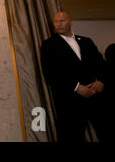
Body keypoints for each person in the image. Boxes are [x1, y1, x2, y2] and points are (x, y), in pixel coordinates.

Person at [40, 12, 112, 142]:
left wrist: (101, 82)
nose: (59, 23)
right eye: (56, 21)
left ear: (70, 22)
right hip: (69, 102)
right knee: (70, 137)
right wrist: (76, 87)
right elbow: (50, 73)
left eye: (62, 20)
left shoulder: (86, 41)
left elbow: (101, 65)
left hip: (95, 97)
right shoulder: (48, 45)